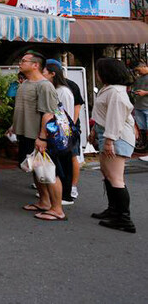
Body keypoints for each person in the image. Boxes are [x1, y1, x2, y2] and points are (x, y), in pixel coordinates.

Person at [11, 51, 66, 221]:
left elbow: (49, 113)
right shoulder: (26, 82)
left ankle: (57, 210)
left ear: (35, 65)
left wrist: (42, 137)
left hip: (40, 136)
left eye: (24, 61)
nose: (20, 63)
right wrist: (14, 126)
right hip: (27, 134)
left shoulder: (44, 85)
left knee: (49, 171)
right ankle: (44, 202)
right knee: (36, 168)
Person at [90, 58, 137, 233]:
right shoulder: (109, 89)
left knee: (116, 177)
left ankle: (124, 219)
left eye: (99, 70)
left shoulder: (116, 92)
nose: (97, 73)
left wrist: (109, 141)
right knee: (108, 174)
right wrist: (95, 130)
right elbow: (104, 114)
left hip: (116, 136)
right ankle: (114, 210)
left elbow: (115, 118)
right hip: (108, 134)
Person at [43, 59, 75, 205]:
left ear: (53, 74)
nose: (42, 74)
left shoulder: (63, 91)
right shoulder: (57, 90)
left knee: (64, 164)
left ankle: (66, 195)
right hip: (58, 132)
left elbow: (63, 113)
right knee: (60, 163)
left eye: (44, 72)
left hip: (62, 133)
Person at [65, 76, 85, 198]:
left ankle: (73, 187)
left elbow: (77, 106)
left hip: (71, 128)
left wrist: (72, 124)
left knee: (73, 156)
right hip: (57, 128)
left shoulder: (70, 85)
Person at [131, 62, 148, 152]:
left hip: (146, 106)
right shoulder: (139, 78)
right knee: (142, 127)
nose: (137, 72)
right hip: (139, 106)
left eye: (138, 70)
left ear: (144, 67)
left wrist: (145, 93)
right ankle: (144, 145)